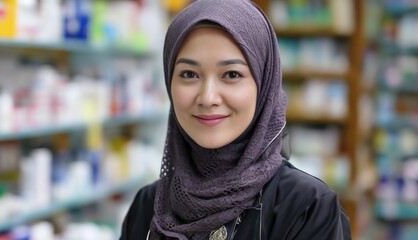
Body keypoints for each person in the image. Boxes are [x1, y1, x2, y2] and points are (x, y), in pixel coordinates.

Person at [120, 0, 351, 239]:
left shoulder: (306, 207)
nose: (208, 98)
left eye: (231, 74)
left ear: (263, 86)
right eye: (189, 74)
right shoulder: (148, 206)